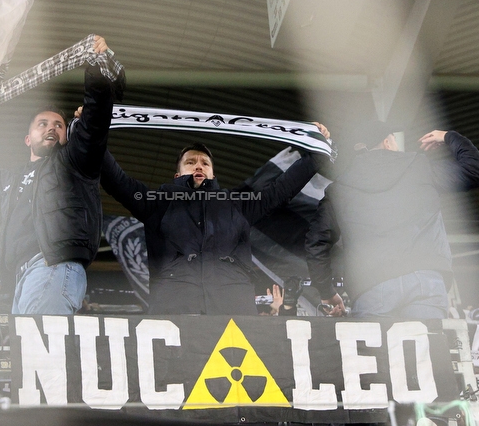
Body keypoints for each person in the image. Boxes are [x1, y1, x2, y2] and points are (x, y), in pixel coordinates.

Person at [0, 36, 124, 315]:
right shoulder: (10, 181)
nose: (51, 128)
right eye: (43, 124)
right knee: (30, 356)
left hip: (53, 266)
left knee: (39, 352)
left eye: (59, 125)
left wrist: (96, 68)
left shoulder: (74, 161)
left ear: (67, 134)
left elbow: (96, 118)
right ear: (27, 138)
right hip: (21, 279)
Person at [97, 133, 328, 315]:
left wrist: (315, 152)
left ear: (213, 174)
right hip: (174, 315)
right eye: (190, 162)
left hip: (234, 316)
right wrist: (92, 130)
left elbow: (281, 190)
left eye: (205, 163)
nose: (198, 166)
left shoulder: (238, 205)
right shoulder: (156, 203)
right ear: (177, 176)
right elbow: (116, 180)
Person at [305, 123, 479, 319]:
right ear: (387, 142)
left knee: (378, 350)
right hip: (424, 280)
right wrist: (449, 137)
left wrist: (328, 293)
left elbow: (316, 244)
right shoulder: (419, 165)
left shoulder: (339, 189)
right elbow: (476, 172)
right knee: (427, 348)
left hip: (371, 288)